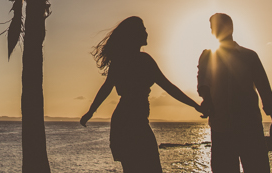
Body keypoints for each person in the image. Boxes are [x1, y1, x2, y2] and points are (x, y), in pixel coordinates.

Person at [80, 16, 203, 173]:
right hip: (133, 124)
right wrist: (195, 106)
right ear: (135, 34)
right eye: (143, 30)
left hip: (123, 122)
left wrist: (90, 112)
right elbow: (169, 87)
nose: (146, 33)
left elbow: (106, 88)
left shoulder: (120, 61)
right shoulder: (143, 60)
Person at [197, 13, 272, 173]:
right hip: (221, 127)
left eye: (216, 27)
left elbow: (264, 88)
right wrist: (206, 99)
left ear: (230, 28)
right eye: (213, 28)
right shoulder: (207, 56)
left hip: (250, 127)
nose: (214, 31)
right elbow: (203, 82)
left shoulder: (250, 56)